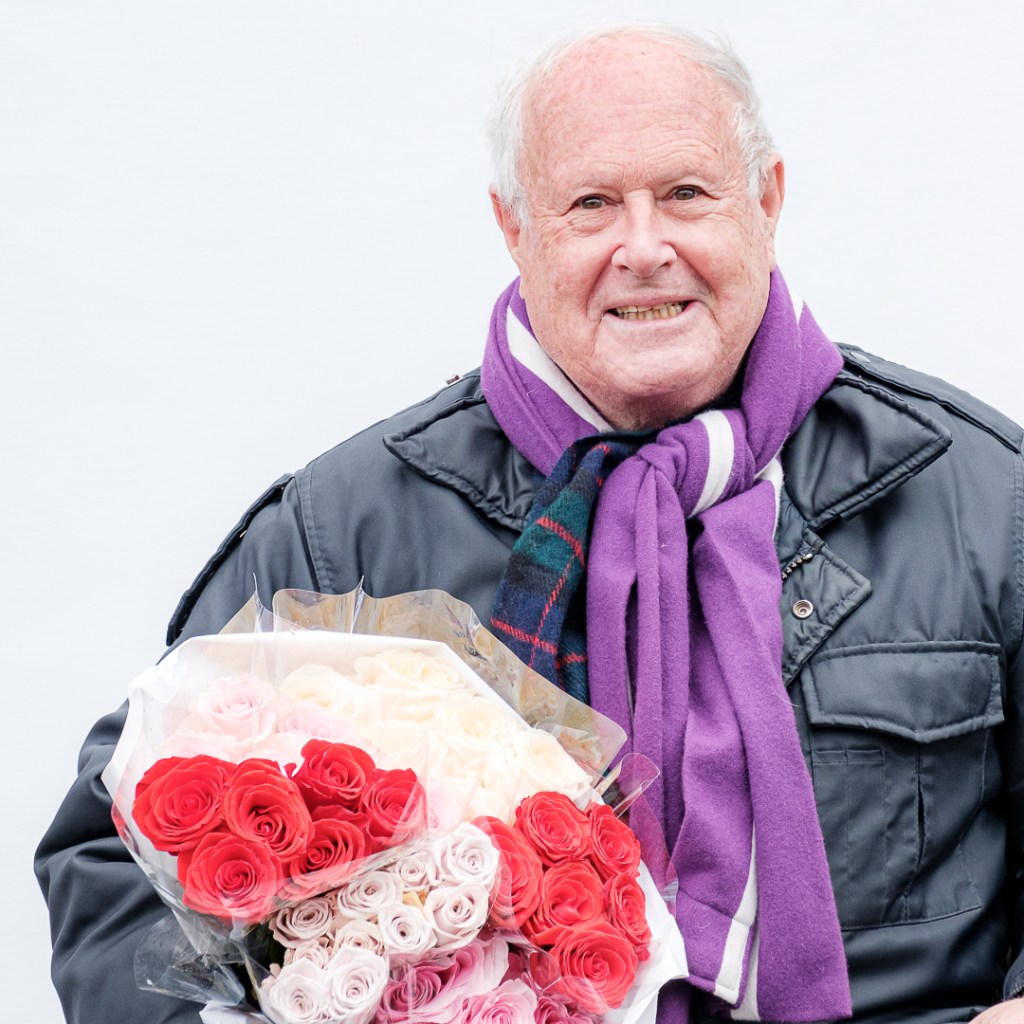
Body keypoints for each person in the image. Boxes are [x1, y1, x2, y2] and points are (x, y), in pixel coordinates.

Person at [36, 22, 1024, 1024]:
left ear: (765, 200)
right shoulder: (349, 531)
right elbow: (110, 867)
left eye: (686, 193)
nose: (644, 248)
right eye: (590, 205)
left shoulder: (981, 499)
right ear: (514, 227)